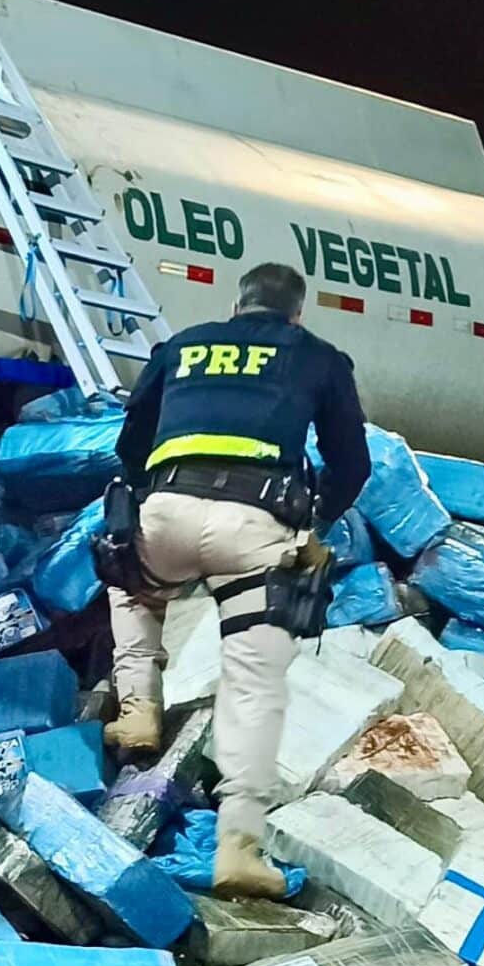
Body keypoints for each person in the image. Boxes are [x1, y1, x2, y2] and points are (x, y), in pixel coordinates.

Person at [105, 262, 371, 897]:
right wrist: (313, 529)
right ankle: (239, 849)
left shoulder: (182, 345)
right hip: (254, 528)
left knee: (130, 581)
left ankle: (139, 706)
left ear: (237, 305)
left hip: (167, 510)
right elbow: (351, 463)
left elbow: (130, 442)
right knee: (253, 684)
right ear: (296, 314)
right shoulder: (320, 357)